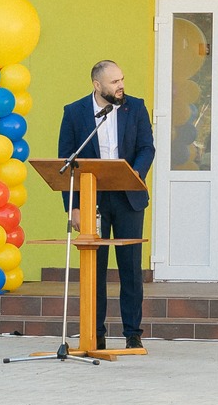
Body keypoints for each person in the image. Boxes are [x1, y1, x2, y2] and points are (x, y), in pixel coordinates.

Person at [57, 60, 156, 350]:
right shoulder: (74, 112)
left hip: (128, 196)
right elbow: (67, 161)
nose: (121, 85)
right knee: (95, 269)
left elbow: (146, 147)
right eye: (114, 82)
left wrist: (135, 173)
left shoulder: (135, 107)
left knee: (130, 268)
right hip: (93, 199)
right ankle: (95, 333)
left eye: (122, 79)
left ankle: (132, 334)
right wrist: (73, 207)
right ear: (97, 85)